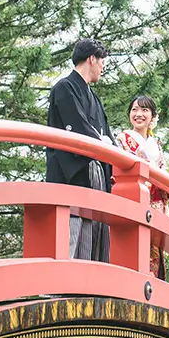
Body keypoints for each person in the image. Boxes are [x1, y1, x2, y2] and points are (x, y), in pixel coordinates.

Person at [46, 38, 113, 261]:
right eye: (102, 61)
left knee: (94, 238)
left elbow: (109, 139)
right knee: (71, 236)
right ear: (92, 59)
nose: (103, 67)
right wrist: (102, 143)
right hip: (71, 174)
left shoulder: (95, 99)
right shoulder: (64, 88)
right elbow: (78, 128)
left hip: (94, 176)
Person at [117, 94, 169, 278]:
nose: (138, 114)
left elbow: (163, 170)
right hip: (134, 198)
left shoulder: (155, 143)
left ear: (152, 117)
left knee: (154, 249)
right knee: (133, 245)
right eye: (134, 110)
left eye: (144, 110)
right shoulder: (123, 139)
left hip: (155, 202)